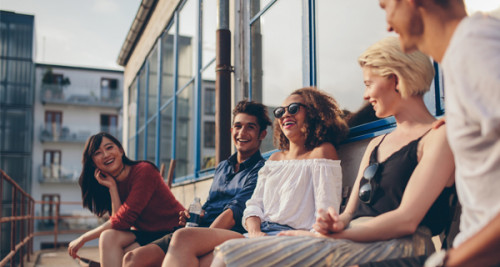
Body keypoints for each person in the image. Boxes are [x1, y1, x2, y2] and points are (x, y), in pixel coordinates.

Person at [211, 36, 456, 267]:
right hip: (356, 238)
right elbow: (348, 213)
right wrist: (327, 227)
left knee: (229, 254)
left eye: (369, 84)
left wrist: (330, 235)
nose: (365, 94)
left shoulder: (436, 136)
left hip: (401, 245)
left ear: (396, 80)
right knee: (228, 252)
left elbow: (407, 220)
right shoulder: (377, 143)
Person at [161, 87, 349, 267]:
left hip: (291, 238)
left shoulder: (322, 152)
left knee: (212, 260)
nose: (285, 115)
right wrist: (255, 232)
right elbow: (254, 205)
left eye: (293, 109)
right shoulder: (275, 159)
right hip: (256, 233)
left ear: (313, 113)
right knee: (183, 237)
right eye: (280, 112)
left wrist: (306, 238)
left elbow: (327, 211)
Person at [375, 1, 500, 266]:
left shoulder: (475, 47)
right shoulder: (468, 53)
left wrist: (449, 261)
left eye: (386, 6)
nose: (387, 24)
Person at [121, 100, 272, 267]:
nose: (242, 132)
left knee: (182, 241)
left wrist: (199, 237)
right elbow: (210, 204)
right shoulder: (223, 167)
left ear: (262, 134)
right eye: (238, 126)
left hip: (228, 232)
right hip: (198, 230)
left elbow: (232, 214)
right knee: (131, 259)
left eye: (250, 127)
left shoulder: (262, 169)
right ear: (231, 130)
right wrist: (195, 215)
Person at [67, 132, 184, 267]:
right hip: (148, 234)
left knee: (127, 255)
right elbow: (120, 226)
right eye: (97, 153)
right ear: (93, 163)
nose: (105, 155)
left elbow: (122, 220)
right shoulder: (110, 182)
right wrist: (112, 187)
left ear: (121, 150)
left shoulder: (144, 171)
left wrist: (83, 238)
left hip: (173, 231)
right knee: (108, 237)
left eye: (109, 147)